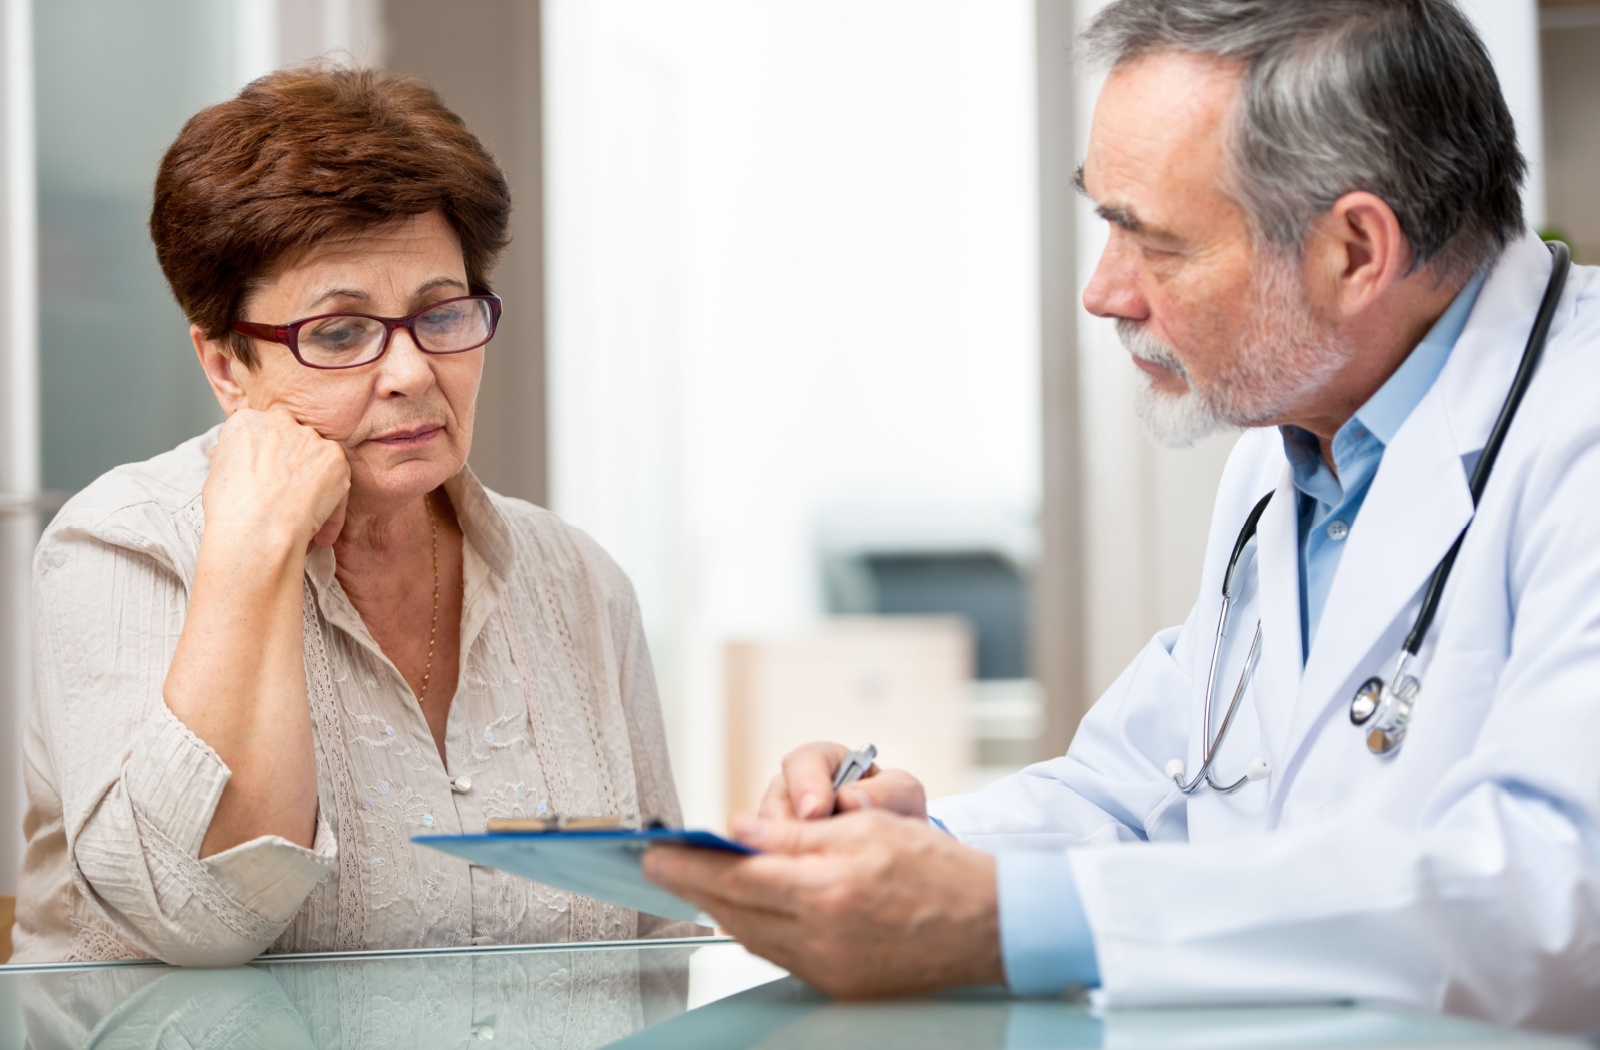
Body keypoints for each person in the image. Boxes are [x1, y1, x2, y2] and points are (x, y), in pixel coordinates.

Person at [643, 0, 1600, 1030]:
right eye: (1105, 224)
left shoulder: (1572, 435)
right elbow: (1143, 794)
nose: (1104, 292)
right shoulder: (1291, 463)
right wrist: (911, 848)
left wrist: (999, 916)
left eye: (1155, 243)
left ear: (1356, 251)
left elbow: (1547, 898)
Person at [14, 67, 687, 965]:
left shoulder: (578, 580)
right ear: (225, 369)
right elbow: (189, 919)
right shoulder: (122, 547)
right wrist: (252, 545)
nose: (411, 371)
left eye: (441, 314)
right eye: (339, 334)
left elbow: (660, 938)